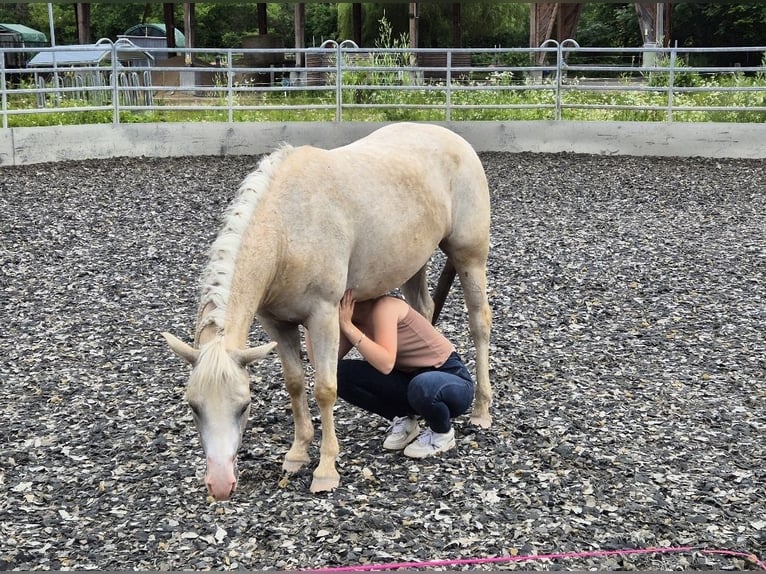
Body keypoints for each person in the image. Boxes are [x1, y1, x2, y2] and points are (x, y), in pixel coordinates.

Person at [317, 289, 475, 458]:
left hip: (450, 380)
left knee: (422, 385)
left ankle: (442, 433)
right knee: (338, 374)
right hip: (410, 381)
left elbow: (385, 364)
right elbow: (321, 362)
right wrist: (310, 322)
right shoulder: (351, 320)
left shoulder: (385, 307)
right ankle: (404, 419)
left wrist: (347, 327)